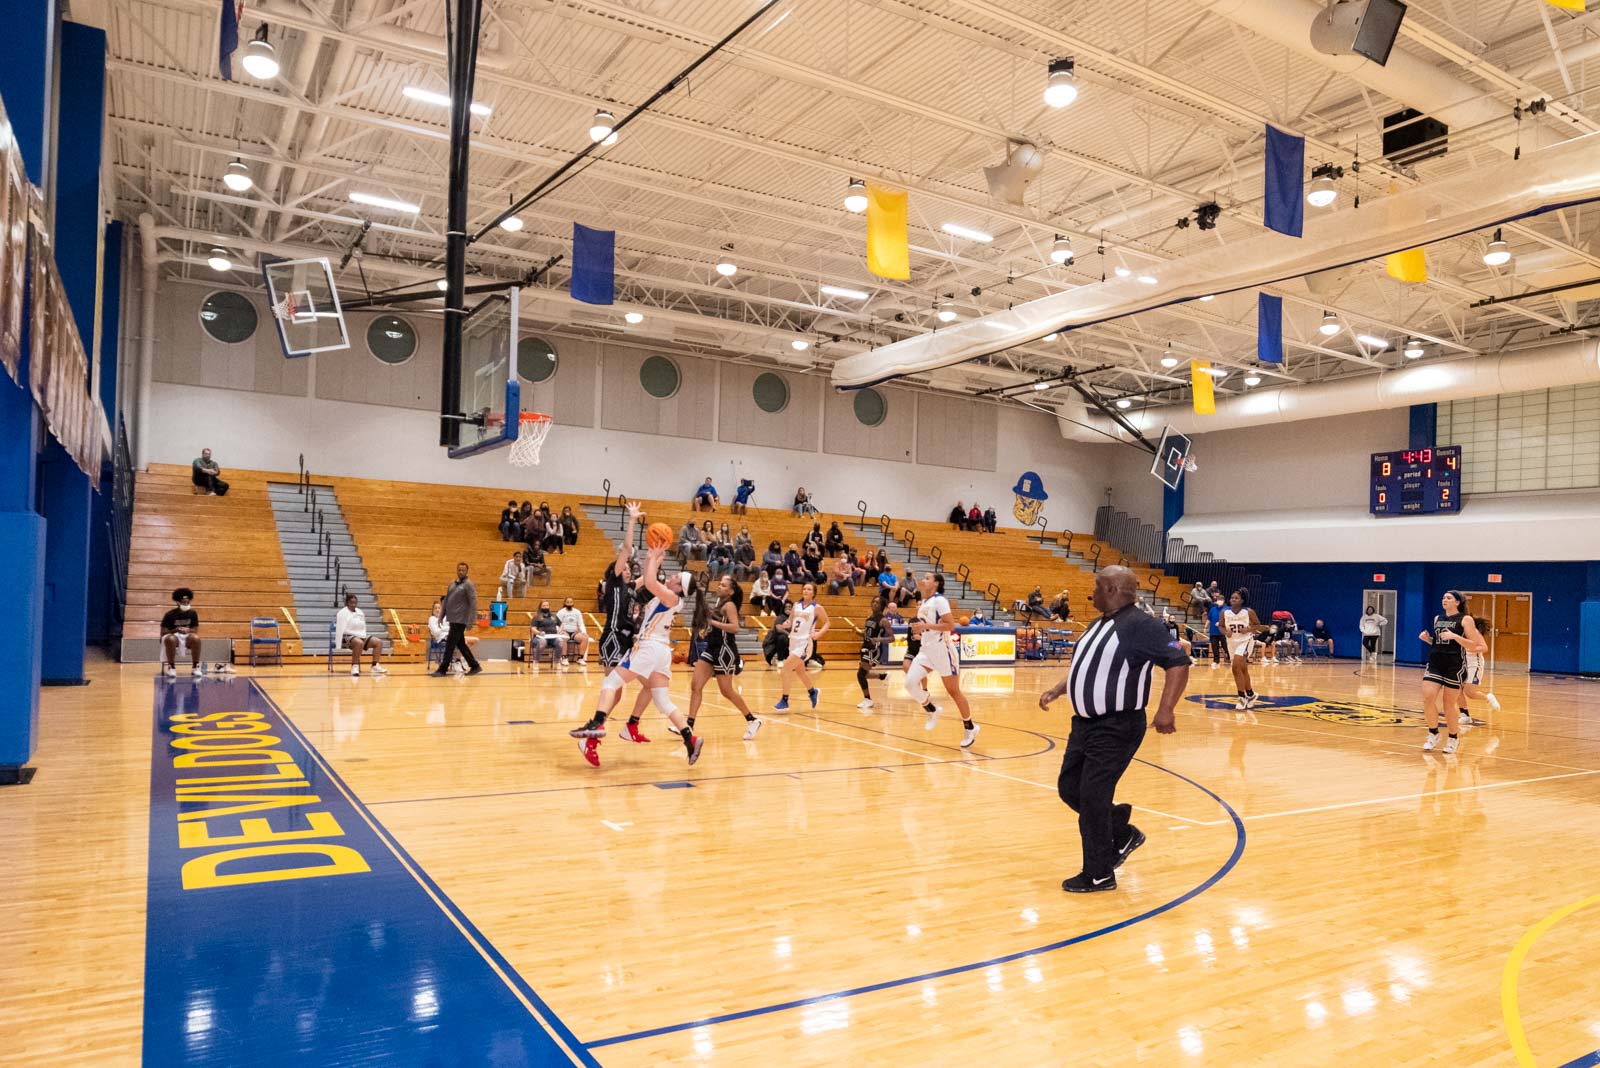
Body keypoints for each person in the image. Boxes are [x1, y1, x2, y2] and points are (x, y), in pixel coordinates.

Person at [1038, 566, 1190, 894]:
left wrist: (1166, 708)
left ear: (1111, 589)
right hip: (1084, 725)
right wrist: (1058, 689)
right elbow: (1086, 667)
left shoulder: (1142, 625)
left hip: (1116, 726)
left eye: (1096, 586)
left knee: (1094, 797)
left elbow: (1179, 661)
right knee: (1069, 788)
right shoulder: (1098, 624)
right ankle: (1121, 832)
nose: (1091, 592)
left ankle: (1098, 874)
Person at [569, 541, 704, 768]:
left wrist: (651, 557)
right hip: (661, 652)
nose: (671, 577)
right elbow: (648, 581)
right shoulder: (669, 597)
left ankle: (597, 723)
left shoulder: (671, 597)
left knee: (610, 683)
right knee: (662, 700)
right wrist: (654, 559)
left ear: (679, 587)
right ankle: (689, 738)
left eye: (676, 578)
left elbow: (650, 581)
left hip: (648, 648)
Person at [904, 572, 978, 746]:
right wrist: (919, 630)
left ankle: (970, 728)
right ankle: (932, 709)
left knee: (954, 692)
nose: (924, 580)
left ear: (936, 583)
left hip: (943, 651)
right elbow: (927, 627)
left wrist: (925, 626)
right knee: (910, 683)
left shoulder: (940, 601)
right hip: (926, 651)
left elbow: (950, 625)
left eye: (927, 578)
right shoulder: (924, 602)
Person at [687, 574, 763, 740]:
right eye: (719, 584)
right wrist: (706, 629)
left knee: (726, 691)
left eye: (723, 585)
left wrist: (712, 623)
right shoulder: (719, 602)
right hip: (712, 648)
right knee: (695, 685)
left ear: (731, 591)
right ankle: (688, 726)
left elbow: (735, 627)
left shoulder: (729, 605)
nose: (719, 586)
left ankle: (752, 720)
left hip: (724, 650)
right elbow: (716, 625)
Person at [1418, 591, 1485, 755]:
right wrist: (1428, 639)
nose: (1444, 600)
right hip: (1435, 663)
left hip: (1455, 665)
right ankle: (1433, 733)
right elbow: (1440, 643)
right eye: (1443, 597)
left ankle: (1453, 737)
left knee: (1448, 704)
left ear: (1457, 602)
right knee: (1428, 698)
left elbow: (1473, 645)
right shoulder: (1438, 618)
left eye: (1449, 598)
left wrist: (1455, 636)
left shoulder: (1465, 619)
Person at [774, 581, 828, 710]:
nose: (806, 591)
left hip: (805, 643)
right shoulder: (796, 605)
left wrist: (819, 634)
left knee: (785, 669)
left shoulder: (817, 608)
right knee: (800, 671)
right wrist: (785, 624)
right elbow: (790, 621)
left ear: (814, 593)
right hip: (793, 641)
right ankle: (812, 692)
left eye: (809, 589)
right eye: (804, 589)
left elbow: (827, 623)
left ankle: (785, 700)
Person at [435, 562, 481, 676]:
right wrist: (441, 616)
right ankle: (475, 666)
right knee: (461, 644)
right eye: (459, 570)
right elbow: (446, 601)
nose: (461, 572)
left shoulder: (468, 585)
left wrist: (471, 620)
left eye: (463, 570)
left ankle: (443, 669)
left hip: (460, 620)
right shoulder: (452, 584)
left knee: (450, 644)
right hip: (452, 619)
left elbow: (473, 604)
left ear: (467, 571)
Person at [1221, 589, 1260, 709]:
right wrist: (1225, 632)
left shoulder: (1248, 612)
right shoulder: (1225, 612)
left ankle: (1241, 698)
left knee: (1235, 667)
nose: (1233, 599)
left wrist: (1248, 629)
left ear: (1242, 600)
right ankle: (1251, 694)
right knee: (1242, 669)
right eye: (1232, 598)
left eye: (1236, 598)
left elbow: (1257, 625)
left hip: (1245, 641)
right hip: (1231, 642)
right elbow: (1221, 626)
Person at [854, 597, 893, 710]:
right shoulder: (869, 618)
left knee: (860, 674)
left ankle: (868, 700)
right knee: (865, 674)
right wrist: (858, 632)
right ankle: (882, 676)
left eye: (878, 603)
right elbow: (867, 634)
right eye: (873, 602)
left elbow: (892, 638)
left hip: (874, 650)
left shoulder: (883, 620)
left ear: (882, 606)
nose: (875, 604)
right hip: (865, 647)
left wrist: (878, 639)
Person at [334, 593, 386, 677]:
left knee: (378, 642)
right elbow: (339, 629)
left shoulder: (360, 612)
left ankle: (375, 665)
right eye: (351, 603)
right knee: (359, 643)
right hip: (347, 637)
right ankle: (355, 666)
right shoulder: (342, 613)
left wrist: (364, 636)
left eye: (355, 603)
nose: (353, 605)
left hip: (361, 636)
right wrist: (338, 644)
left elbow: (363, 626)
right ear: (347, 603)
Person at [160, 587, 204, 678]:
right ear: (178, 602)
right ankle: (171, 667)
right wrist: (176, 630)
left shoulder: (193, 613)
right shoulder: (169, 614)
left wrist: (188, 630)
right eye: (184, 602)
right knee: (170, 639)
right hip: (172, 636)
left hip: (187, 636)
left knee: (196, 638)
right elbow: (163, 633)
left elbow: (195, 630)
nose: (186, 604)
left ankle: (195, 667)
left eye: (188, 602)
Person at [530, 601, 568, 665]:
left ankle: (557, 660)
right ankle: (536, 661)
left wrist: (560, 630)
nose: (546, 607)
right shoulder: (536, 617)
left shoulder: (554, 616)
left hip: (553, 637)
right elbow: (533, 628)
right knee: (542, 642)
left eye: (547, 605)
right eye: (544, 606)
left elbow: (561, 624)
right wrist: (539, 632)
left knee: (560, 641)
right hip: (540, 637)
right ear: (540, 607)